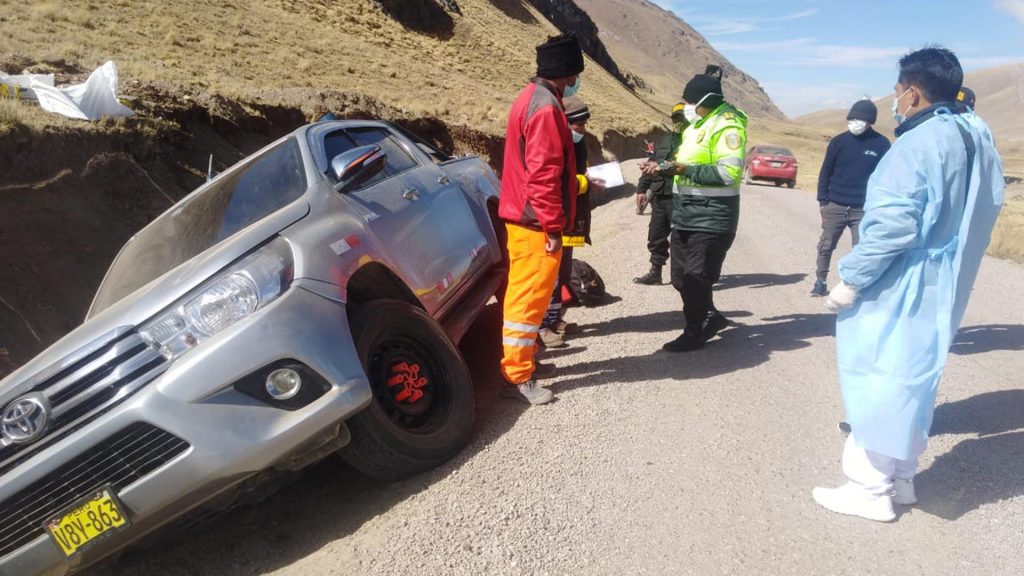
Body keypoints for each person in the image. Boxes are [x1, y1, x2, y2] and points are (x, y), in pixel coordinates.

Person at [812, 46, 1004, 522]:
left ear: (913, 93)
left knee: (879, 377)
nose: (895, 101)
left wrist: (851, 280)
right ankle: (901, 477)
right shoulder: (974, 134)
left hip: (902, 280)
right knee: (915, 377)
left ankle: (868, 488)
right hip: (946, 279)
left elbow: (893, 226)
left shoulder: (917, 145)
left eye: (898, 92)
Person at [498, 34, 584, 405]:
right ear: (567, 73)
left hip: (526, 219)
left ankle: (526, 362)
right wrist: (552, 226)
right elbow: (544, 174)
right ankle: (518, 376)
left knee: (527, 298)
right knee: (528, 300)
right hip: (535, 224)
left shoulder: (529, 97)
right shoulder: (547, 108)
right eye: (575, 74)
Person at [640, 65, 748, 352]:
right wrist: (662, 167)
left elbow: (728, 174)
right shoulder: (699, 125)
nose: (686, 107)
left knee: (696, 276)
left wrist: (684, 169)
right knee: (679, 277)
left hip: (711, 215)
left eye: (690, 102)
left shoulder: (727, 125)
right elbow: (683, 164)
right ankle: (710, 316)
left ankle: (695, 330)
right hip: (686, 213)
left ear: (705, 100)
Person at [538, 97, 602, 347]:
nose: (582, 130)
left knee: (562, 274)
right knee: (550, 276)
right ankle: (541, 326)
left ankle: (555, 319)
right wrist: (586, 182)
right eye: (578, 126)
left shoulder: (578, 145)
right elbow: (556, 182)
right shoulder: (553, 145)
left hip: (571, 219)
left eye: (584, 125)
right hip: (557, 219)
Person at [811, 99, 891, 297]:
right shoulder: (838, 142)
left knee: (862, 249)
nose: (855, 122)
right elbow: (825, 172)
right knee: (826, 245)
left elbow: (885, 177)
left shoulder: (881, 144)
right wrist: (823, 200)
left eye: (860, 119)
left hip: (863, 209)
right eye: (852, 118)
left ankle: (855, 286)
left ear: (870, 122)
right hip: (835, 204)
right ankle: (820, 281)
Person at [634, 103, 688, 285]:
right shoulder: (665, 139)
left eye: (682, 118)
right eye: (675, 119)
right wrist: (641, 189)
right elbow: (652, 163)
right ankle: (655, 272)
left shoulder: (693, 141)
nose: (678, 122)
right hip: (659, 195)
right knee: (656, 236)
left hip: (679, 196)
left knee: (682, 238)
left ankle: (684, 277)